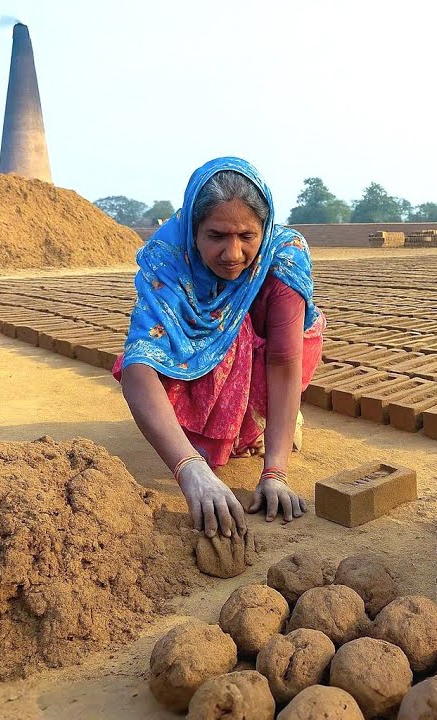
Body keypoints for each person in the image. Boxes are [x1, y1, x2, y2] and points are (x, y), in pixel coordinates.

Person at [115, 157, 324, 539]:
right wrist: (190, 469)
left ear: (266, 228)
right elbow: (139, 365)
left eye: (247, 236)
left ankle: (271, 420)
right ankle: (215, 438)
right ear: (193, 231)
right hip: (206, 356)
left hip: (271, 356)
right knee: (209, 345)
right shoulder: (169, 257)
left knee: (240, 335)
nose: (232, 254)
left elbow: (283, 359)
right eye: (216, 236)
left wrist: (275, 472)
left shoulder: (284, 258)